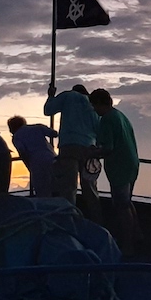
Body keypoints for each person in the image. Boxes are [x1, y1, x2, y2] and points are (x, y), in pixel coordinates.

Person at [89, 88, 139, 256]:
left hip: (120, 168)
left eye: (94, 106)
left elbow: (108, 148)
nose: (94, 110)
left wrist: (91, 152)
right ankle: (136, 237)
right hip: (131, 164)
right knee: (127, 202)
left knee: (121, 206)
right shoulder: (120, 116)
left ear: (98, 103)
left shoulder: (107, 120)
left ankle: (127, 245)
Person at [43, 82, 104, 221]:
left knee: (68, 188)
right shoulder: (92, 104)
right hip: (89, 148)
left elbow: (48, 110)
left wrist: (51, 95)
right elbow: (98, 129)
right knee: (90, 188)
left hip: (69, 146)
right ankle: (97, 222)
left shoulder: (67, 96)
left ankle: (69, 221)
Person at [7, 115, 58, 197]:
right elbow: (54, 134)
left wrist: (29, 166)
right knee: (57, 186)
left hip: (36, 162)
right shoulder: (37, 127)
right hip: (52, 158)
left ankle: (46, 208)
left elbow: (22, 152)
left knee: (42, 190)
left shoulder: (16, 137)